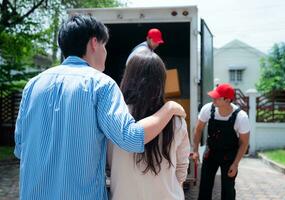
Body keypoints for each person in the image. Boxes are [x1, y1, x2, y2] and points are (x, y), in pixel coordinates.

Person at [14, 15, 186, 200]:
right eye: (105, 46)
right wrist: (169, 109)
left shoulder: (32, 85)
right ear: (94, 43)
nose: (105, 52)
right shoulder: (101, 84)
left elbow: (20, 148)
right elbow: (131, 138)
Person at [107, 51, 190, 200]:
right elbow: (182, 167)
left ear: (128, 78)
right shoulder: (176, 120)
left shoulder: (114, 117)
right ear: (161, 82)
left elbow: (107, 166)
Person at [192, 83, 250, 200]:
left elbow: (244, 143)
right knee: (204, 188)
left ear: (227, 100)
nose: (213, 98)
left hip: (229, 156)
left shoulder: (241, 117)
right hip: (211, 153)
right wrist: (195, 151)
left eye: (217, 97)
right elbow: (198, 129)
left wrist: (235, 164)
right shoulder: (207, 109)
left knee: (228, 191)